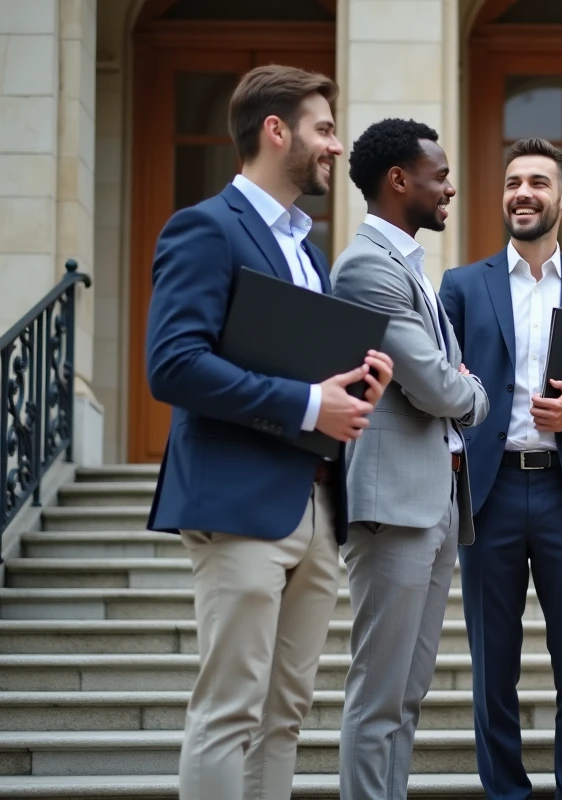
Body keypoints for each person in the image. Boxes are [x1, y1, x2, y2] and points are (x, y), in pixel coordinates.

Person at [144, 65, 394, 800]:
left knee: (285, 716)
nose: (337, 147)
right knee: (229, 711)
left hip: (316, 507)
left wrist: (353, 387)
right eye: (323, 129)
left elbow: (302, 376)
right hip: (238, 503)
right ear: (274, 131)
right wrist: (309, 405)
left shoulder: (309, 252)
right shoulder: (205, 227)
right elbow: (173, 367)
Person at [439, 137, 562, 800]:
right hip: (487, 495)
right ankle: (506, 794)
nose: (523, 192)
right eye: (513, 181)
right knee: (492, 667)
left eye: (538, 182)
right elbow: (441, 381)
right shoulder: (462, 287)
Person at [331, 118, 489, 800]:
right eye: (440, 174)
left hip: (438, 501)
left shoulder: (409, 268)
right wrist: (473, 389)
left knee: (408, 694)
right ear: (400, 181)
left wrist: (457, 387)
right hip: (394, 504)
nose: (449, 186)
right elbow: (439, 386)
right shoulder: (366, 266)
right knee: (380, 695)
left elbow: (439, 383)